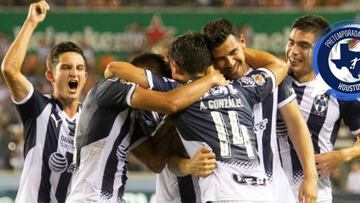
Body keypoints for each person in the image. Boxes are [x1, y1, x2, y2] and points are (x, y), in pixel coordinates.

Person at [105, 32, 288, 202]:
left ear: (175, 67)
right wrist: (231, 56)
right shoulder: (242, 89)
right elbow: (280, 65)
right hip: (262, 193)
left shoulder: (175, 92)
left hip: (222, 194)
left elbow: (114, 68)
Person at [66, 54, 228, 201]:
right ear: (143, 76)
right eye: (155, 85)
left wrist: (178, 117)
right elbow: (170, 103)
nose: (157, 90)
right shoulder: (114, 86)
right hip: (93, 198)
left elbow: (155, 160)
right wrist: (210, 80)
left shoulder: (126, 117)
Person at [201, 18, 318, 203]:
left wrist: (311, 177)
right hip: (231, 193)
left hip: (275, 190)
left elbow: (296, 125)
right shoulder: (207, 87)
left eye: (233, 52)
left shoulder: (272, 76)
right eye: (220, 58)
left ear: (242, 41)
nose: (230, 62)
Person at [1, 1, 88, 202]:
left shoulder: (91, 118)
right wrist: (31, 22)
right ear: (50, 75)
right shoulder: (38, 108)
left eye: (80, 68)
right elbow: (9, 70)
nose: (74, 72)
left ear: (84, 75)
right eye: (66, 67)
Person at [277, 14, 360, 203]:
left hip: (313, 194)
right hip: (268, 191)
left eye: (304, 46)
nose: (293, 51)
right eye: (291, 43)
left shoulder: (339, 90)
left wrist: (342, 155)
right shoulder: (273, 80)